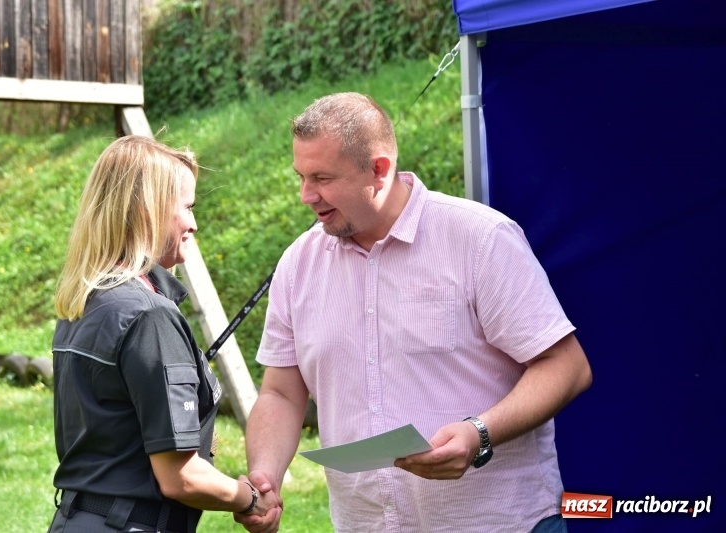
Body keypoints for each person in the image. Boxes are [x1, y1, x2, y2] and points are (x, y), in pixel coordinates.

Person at [236, 93, 592, 533]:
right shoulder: (298, 263)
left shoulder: (480, 239)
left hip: (499, 523)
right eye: (301, 177)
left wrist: (479, 432)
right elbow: (282, 393)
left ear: (379, 169)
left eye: (322, 178)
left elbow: (567, 367)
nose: (306, 195)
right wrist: (265, 475)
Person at [49, 135, 281, 532]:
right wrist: (251, 499)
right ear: (148, 212)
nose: (194, 223)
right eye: (187, 208)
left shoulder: (84, 300)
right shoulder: (149, 316)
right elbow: (181, 477)